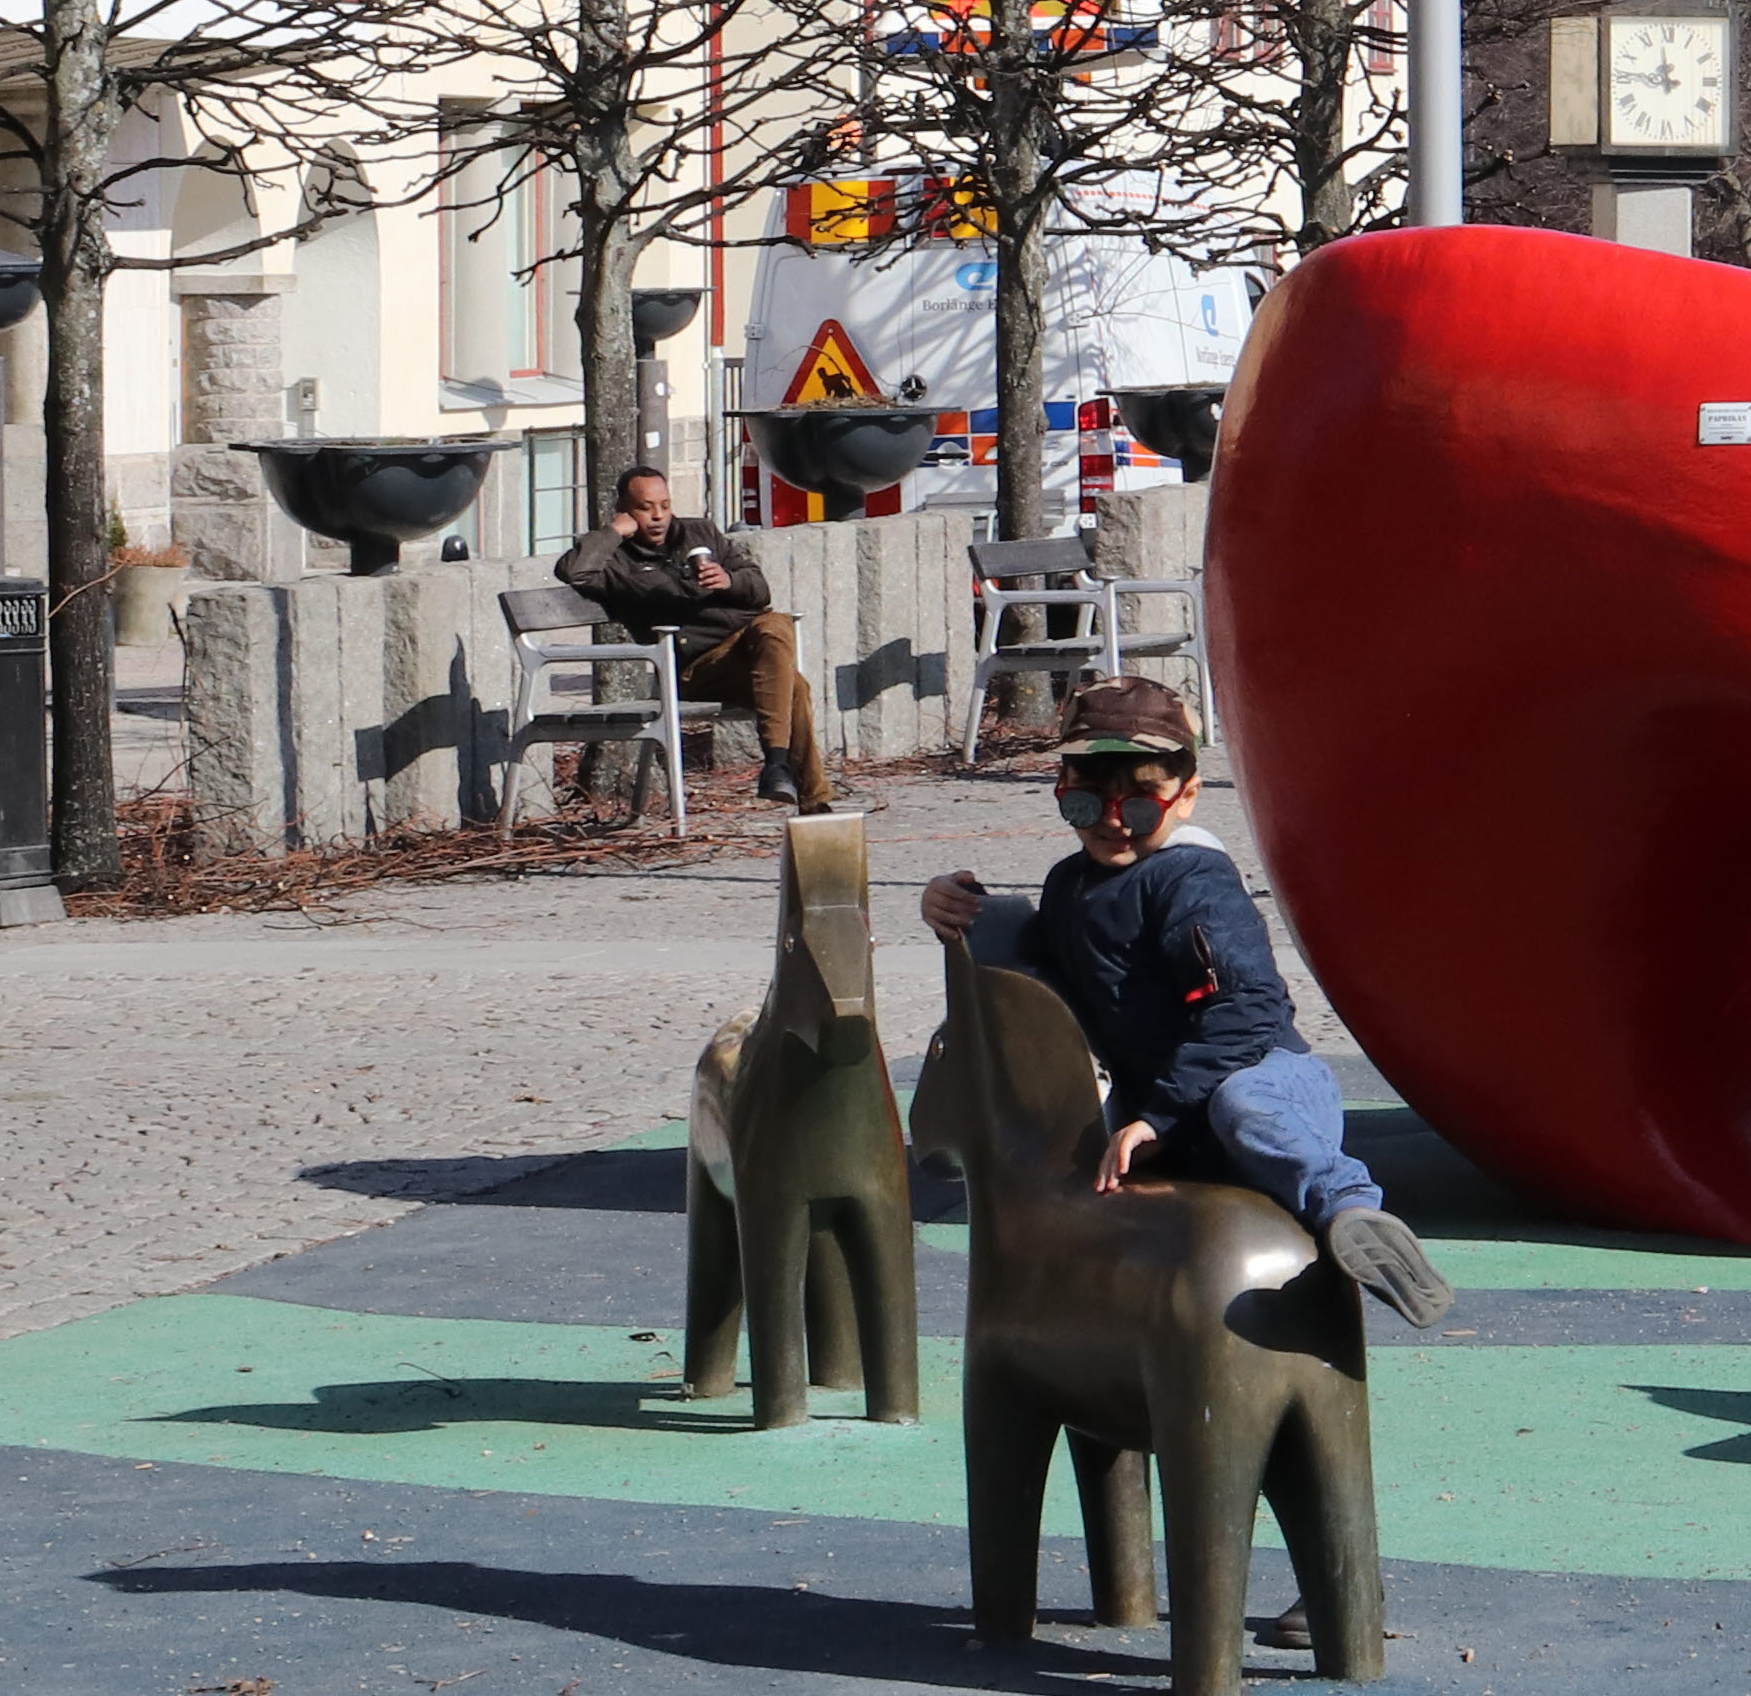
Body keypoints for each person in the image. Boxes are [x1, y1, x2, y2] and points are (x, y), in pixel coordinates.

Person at [920, 677, 1453, 1327]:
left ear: (1186, 796)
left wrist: (1159, 1116)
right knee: (1068, 1140)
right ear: (1061, 791)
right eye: (1084, 806)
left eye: (1137, 808)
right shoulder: (1071, 882)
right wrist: (960, 910)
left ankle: (1349, 1210)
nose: (1112, 823)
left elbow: (1244, 1014)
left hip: (1262, 1077)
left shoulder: (1194, 882)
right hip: (1160, 1104)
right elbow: (1038, 984)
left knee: (1244, 1104)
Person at [555, 464, 831, 808]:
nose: (658, 516)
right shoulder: (616, 562)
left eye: (665, 505)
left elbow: (759, 590)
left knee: (774, 625)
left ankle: (778, 767)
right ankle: (807, 795)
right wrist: (613, 533)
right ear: (624, 511)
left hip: (748, 647)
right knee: (795, 686)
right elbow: (572, 570)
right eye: (645, 508)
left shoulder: (700, 533)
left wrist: (729, 581)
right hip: (694, 666)